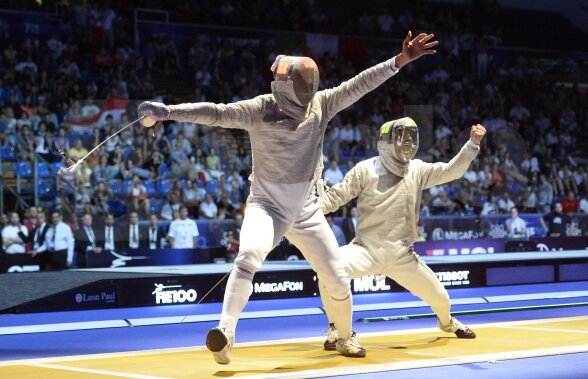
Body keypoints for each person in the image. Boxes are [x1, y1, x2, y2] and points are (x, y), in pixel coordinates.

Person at [138, 30, 438, 363]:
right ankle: (225, 334)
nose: (307, 99)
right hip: (266, 206)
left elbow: (360, 84)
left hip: (307, 210)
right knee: (248, 256)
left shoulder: (320, 105)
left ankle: (344, 335)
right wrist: (167, 111)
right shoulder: (259, 109)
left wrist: (400, 61)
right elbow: (216, 113)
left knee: (336, 275)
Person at [319, 119, 485, 349]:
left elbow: (451, 171)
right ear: (387, 141)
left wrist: (471, 145)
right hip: (366, 249)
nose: (407, 144)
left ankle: (447, 323)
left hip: (402, 255)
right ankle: (337, 329)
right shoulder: (365, 169)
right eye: (402, 139)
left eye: (410, 139)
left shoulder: (416, 169)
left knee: (441, 298)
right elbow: (334, 197)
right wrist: (305, 214)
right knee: (328, 269)